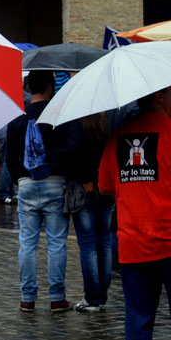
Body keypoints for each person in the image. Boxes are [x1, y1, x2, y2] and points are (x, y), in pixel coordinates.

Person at [99, 84, 171, 340]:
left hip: (134, 244)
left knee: (138, 322)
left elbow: (105, 188)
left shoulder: (118, 138)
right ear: (160, 96)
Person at [6, 70, 72, 314]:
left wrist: (19, 179)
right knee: (56, 244)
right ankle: (57, 297)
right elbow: (67, 148)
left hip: (26, 184)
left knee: (27, 244)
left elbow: (9, 156)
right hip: (55, 182)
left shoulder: (18, 118)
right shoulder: (58, 115)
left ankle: (27, 297)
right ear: (49, 86)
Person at [56, 113, 114, 312]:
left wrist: (86, 178)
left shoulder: (77, 122)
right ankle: (102, 294)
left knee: (88, 244)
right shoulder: (106, 121)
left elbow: (75, 152)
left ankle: (92, 297)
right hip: (105, 186)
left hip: (85, 187)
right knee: (104, 242)